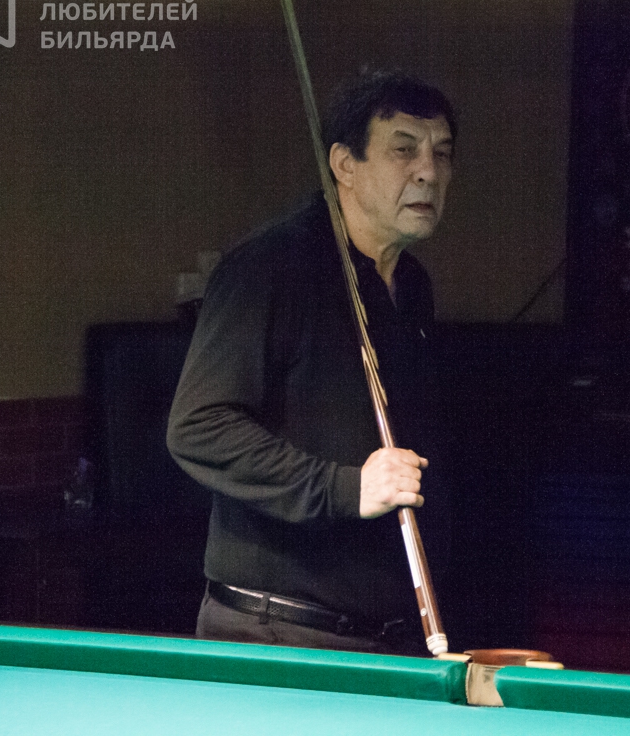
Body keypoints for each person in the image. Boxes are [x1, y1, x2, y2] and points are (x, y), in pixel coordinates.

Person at [166, 69, 456, 655]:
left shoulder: (412, 285)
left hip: (382, 634)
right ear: (345, 164)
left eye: (442, 153)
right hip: (276, 633)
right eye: (404, 150)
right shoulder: (269, 267)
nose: (428, 171)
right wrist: (344, 489)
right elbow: (197, 428)